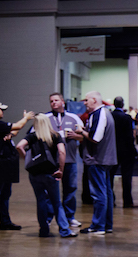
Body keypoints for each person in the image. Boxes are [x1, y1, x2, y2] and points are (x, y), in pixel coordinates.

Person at [17, 115, 75, 238]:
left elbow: (19, 146)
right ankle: (64, 230)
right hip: (51, 173)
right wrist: (60, 170)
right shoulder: (55, 136)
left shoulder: (32, 136)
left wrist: (27, 160)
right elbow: (62, 152)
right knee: (56, 202)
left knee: (41, 201)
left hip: (35, 173)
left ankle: (43, 230)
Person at [67, 91, 116, 234]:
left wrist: (81, 131)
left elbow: (95, 138)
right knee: (106, 193)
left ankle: (98, 226)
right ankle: (106, 225)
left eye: (86, 100)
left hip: (98, 159)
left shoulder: (99, 114)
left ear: (94, 100)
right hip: (104, 159)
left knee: (99, 194)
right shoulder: (103, 113)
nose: (84, 103)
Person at [0, 100, 35, 233]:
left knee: (5, 194)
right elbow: (18, 126)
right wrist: (26, 118)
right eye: (1, 109)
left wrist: (10, 134)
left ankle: (5, 221)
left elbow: (15, 131)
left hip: (5, 163)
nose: (3, 112)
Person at [44, 93, 84, 227]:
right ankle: (49, 217)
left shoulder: (74, 118)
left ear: (62, 102)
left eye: (56, 100)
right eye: (51, 101)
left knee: (70, 189)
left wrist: (75, 136)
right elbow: (36, 135)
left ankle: (69, 217)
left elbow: (83, 136)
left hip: (70, 160)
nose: (53, 103)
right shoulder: (46, 118)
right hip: (52, 162)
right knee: (50, 191)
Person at [111, 96, 136, 208]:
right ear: (123, 104)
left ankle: (111, 200)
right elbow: (130, 136)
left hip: (113, 150)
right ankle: (127, 201)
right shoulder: (127, 118)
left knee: (110, 176)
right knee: (127, 176)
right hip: (126, 150)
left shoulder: (110, 116)